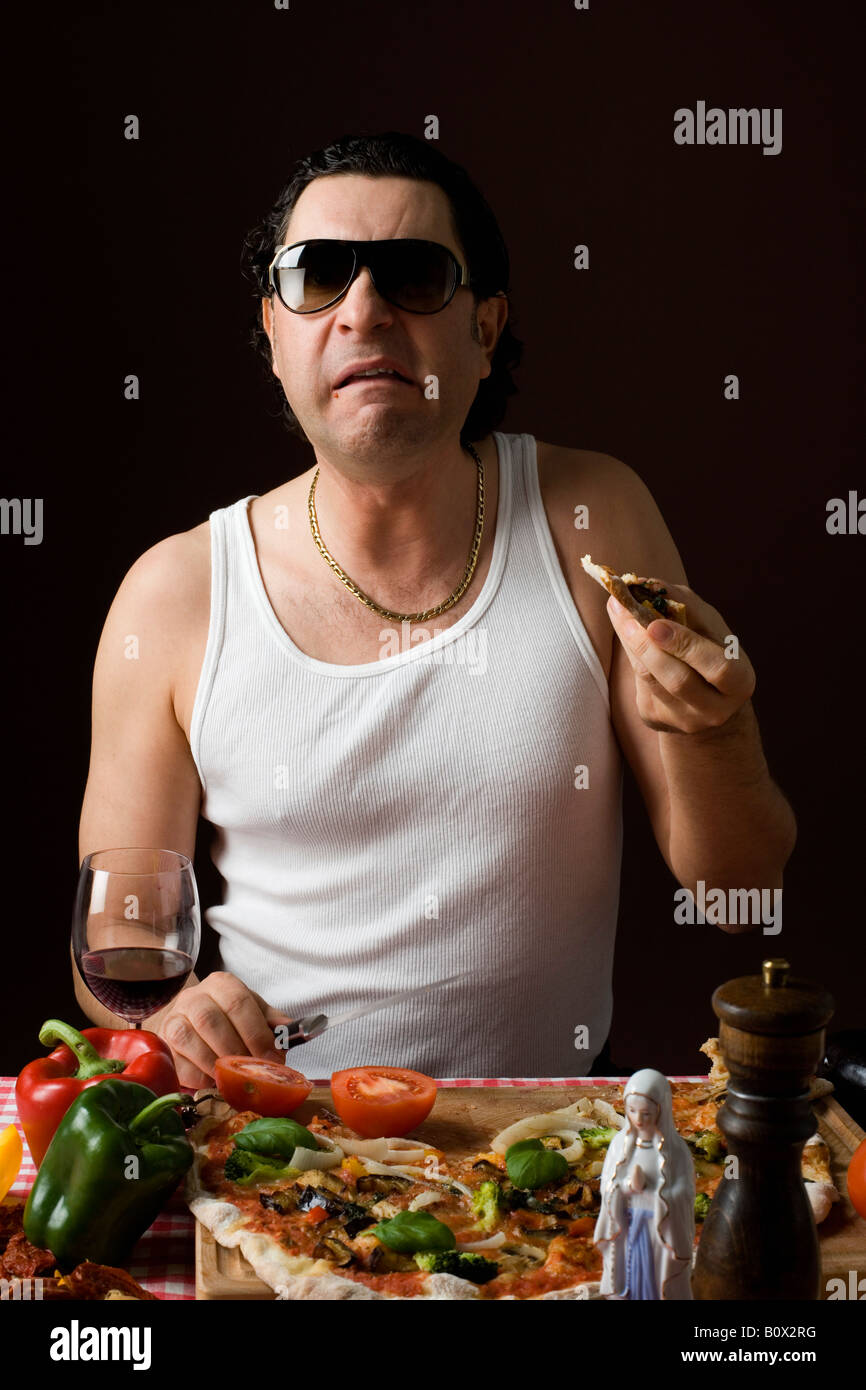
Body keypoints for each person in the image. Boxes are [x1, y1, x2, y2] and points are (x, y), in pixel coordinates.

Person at [74, 131, 797, 1088]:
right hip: (275, 1148)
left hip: (544, 1146)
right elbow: (117, 938)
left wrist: (717, 730)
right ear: (275, 331)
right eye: (318, 276)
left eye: (414, 276)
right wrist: (178, 1010)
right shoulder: (173, 594)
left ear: (486, 329)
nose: (363, 312)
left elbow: (738, 894)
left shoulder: (595, 518)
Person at [594, 1069, 696, 1299]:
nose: (638, 1119)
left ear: (661, 1111)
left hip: (660, 1229)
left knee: (656, 1278)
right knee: (628, 1271)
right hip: (627, 1226)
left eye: (646, 1113)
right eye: (631, 1111)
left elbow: (686, 1190)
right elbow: (607, 1185)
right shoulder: (620, 1143)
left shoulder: (676, 1149)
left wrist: (656, 1194)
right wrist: (626, 1188)